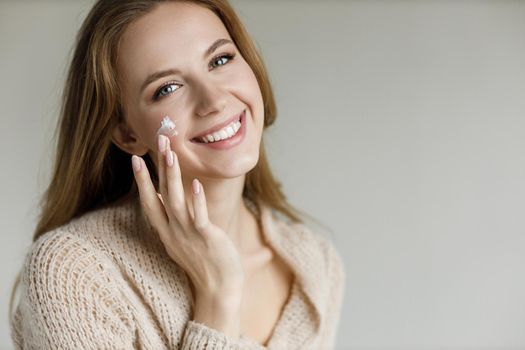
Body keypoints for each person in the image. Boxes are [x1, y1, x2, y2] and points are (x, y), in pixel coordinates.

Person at [9, 0, 345, 349]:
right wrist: (218, 298)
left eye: (220, 60)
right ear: (127, 135)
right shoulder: (75, 273)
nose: (213, 100)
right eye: (167, 88)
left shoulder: (315, 266)